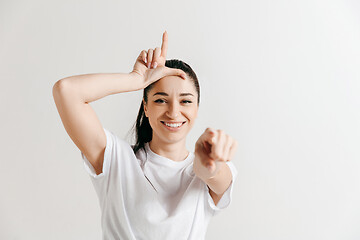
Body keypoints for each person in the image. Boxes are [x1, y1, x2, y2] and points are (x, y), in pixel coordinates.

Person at [52, 31, 238, 240]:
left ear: (197, 108)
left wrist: (208, 166)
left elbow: (212, 174)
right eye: (160, 100)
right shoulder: (115, 159)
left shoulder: (211, 168)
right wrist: (135, 80)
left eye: (185, 101)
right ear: (146, 107)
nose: (174, 112)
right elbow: (66, 91)